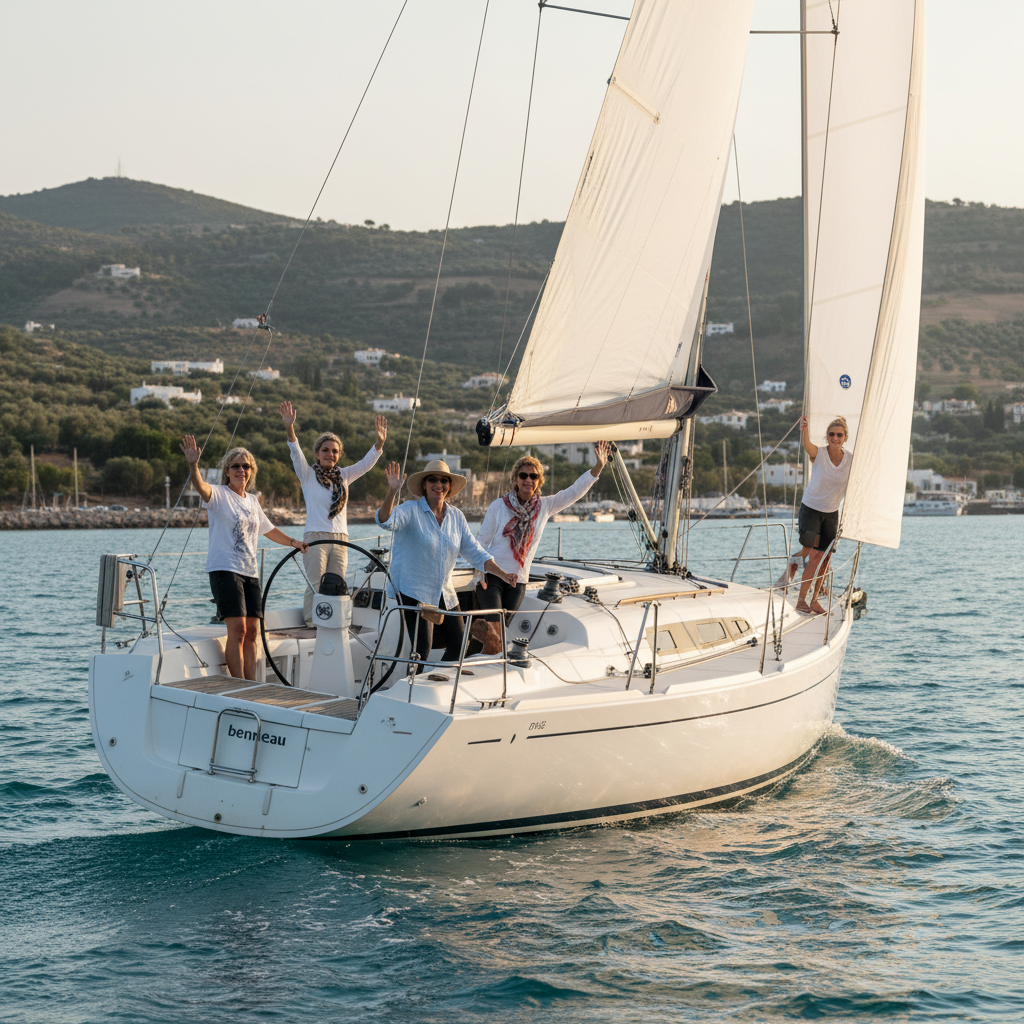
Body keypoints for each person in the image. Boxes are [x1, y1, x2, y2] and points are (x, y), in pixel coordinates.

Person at [180, 435, 309, 680]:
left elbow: (269, 529)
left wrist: (294, 542)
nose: (241, 470)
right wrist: (193, 465)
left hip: (250, 572)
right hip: (225, 570)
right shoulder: (218, 494)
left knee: (252, 632)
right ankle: (237, 685)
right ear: (227, 471)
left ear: (251, 472)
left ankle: (251, 683)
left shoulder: (252, 501)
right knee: (237, 630)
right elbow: (200, 486)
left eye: (246, 466)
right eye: (236, 466)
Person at [375, 459, 518, 671]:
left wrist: (503, 574)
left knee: (460, 645)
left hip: (443, 590)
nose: (438, 484)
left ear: (449, 487)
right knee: (421, 649)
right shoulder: (410, 510)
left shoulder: (456, 516)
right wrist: (392, 492)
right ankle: (412, 687)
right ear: (424, 485)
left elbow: (475, 552)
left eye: (444, 481)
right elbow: (385, 521)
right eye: (432, 480)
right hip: (413, 590)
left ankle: (435, 680)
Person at [471, 442, 611, 653]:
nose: (528, 480)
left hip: (518, 581)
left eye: (533, 476)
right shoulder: (498, 506)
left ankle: (482, 656)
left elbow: (574, 492)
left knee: (498, 634)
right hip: (492, 577)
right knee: (496, 628)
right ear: (515, 479)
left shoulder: (545, 506)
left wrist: (598, 468)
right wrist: (479, 575)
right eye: (523, 475)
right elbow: (481, 542)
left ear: (539, 481)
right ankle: (487, 657)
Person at [279, 401, 386, 625]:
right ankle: (312, 623)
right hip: (315, 537)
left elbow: (366, 464)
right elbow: (294, 451)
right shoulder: (307, 474)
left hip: (340, 539)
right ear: (317, 454)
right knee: (316, 585)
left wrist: (379, 443)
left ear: (339, 455)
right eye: (325, 450)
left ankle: (331, 622)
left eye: (335, 451)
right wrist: (290, 427)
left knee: (336, 585)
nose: (330, 454)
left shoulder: (344, 476)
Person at [794, 415, 852, 614]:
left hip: (831, 512)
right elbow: (808, 446)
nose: (835, 438)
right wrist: (805, 430)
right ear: (827, 436)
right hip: (811, 508)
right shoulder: (819, 453)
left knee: (825, 558)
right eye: (831, 434)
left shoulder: (850, 460)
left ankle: (814, 600)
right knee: (813, 553)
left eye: (839, 435)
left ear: (845, 437)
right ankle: (800, 599)